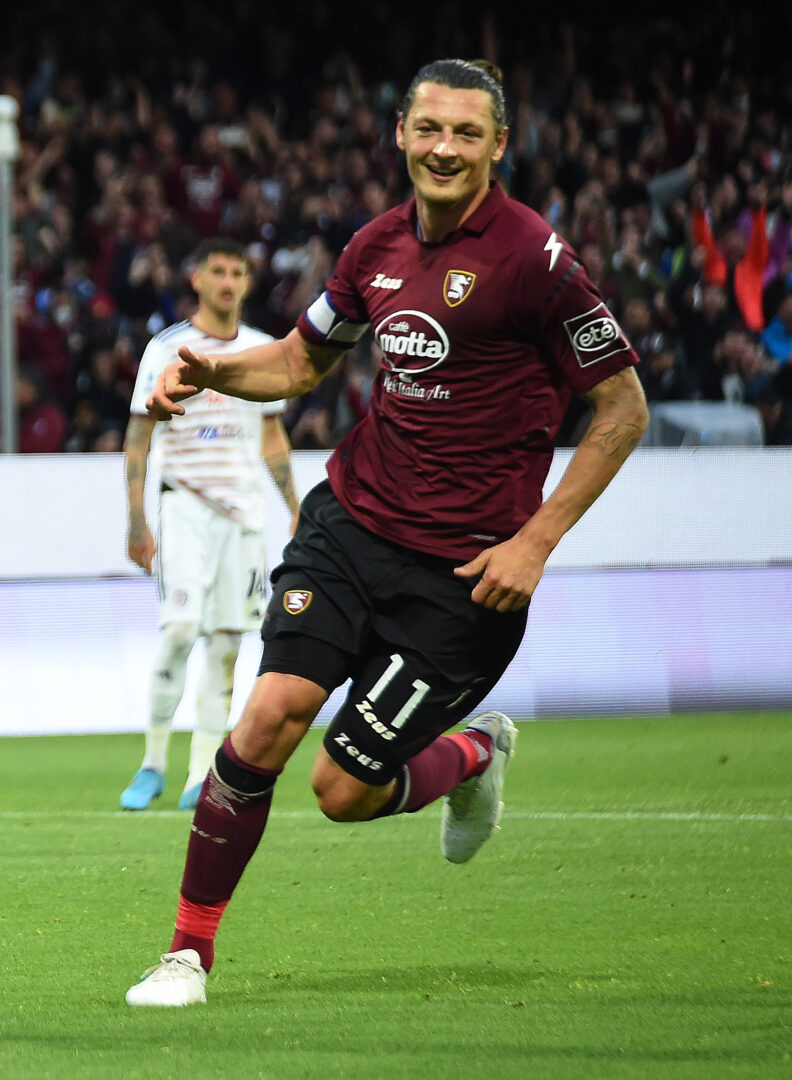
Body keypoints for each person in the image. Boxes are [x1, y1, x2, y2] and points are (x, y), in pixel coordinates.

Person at [125, 60, 648, 1007]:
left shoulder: (536, 261)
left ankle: (474, 753)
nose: (444, 148)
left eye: (466, 133)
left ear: (498, 145)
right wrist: (209, 372)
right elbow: (299, 361)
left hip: (465, 577)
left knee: (343, 791)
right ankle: (186, 956)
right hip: (351, 527)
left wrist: (535, 543)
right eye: (428, 128)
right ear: (401, 133)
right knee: (266, 718)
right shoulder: (375, 246)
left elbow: (623, 407)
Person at [121, 238, 299, 813]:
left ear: (247, 282)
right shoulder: (166, 348)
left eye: (237, 272)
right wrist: (136, 519)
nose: (227, 282)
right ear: (196, 279)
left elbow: (271, 434)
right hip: (185, 507)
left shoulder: (263, 349)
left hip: (244, 517)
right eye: (217, 271)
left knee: (226, 644)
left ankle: (200, 774)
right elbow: (139, 437)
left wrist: (294, 505)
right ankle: (152, 763)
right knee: (179, 630)